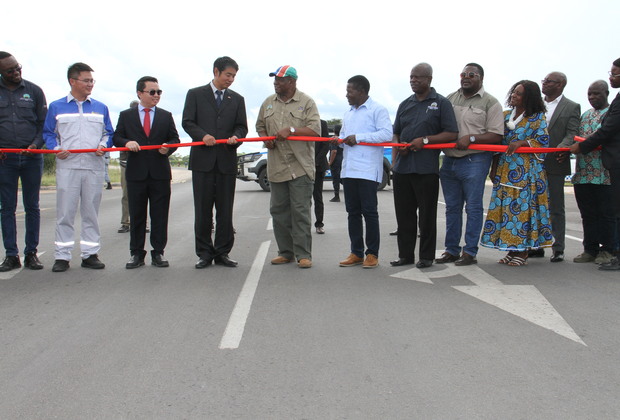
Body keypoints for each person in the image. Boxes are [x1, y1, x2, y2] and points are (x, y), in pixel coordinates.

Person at [43, 62, 114, 272]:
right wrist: (56, 148)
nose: (90, 84)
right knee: (65, 212)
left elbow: (108, 132)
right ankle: (62, 256)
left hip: (93, 166)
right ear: (72, 81)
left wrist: (103, 146)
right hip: (68, 166)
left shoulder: (100, 107)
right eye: (86, 80)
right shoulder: (57, 107)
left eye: (92, 80)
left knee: (90, 212)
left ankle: (90, 254)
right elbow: (48, 133)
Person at [390, 63, 458, 269]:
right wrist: (396, 156)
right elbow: (396, 132)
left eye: (418, 77)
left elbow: (452, 133)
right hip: (403, 169)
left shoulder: (441, 103)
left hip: (426, 168)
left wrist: (426, 141)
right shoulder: (405, 104)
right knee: (404, 216)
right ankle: (405, 255)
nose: (413, 81)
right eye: (411, 77)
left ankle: (426, 256)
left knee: (427, 216)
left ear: (429, 79)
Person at [182, 56, 248, 269]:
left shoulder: (237, 99)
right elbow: (187, 122)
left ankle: (223, 252)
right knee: (202, 211)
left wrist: (235, 138)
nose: (231, 79)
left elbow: (242, 127)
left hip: (226, 161)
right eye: (228, 74)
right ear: (216, 71)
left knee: (225, 210)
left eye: (234, 76)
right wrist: (202, 136)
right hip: (203, 161)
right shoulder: (195, 94)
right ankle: (204, 253)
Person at [435, 63, 504, 266]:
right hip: (449, 161)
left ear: (481, 78)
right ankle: (452, 250)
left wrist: (472, 138)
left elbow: (497, 135)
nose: (466, 77)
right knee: (452, 208)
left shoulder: (491, 103)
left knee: (473, 208)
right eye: (463, 74)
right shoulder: (450, 98)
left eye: (471, 74)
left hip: (475, 160)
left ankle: (470, 251)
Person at [480, 80, 553, 266]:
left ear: (529, 97)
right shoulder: (505, 116)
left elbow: (543, 142)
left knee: (523, 211)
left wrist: (522, 143)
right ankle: (512, 249)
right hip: (506, 171)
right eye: (513, 92)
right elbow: (497, 145)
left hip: (528, 173)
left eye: (519, 93)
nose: (514, 95)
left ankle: (523, 251)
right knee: (507, 211)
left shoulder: (537, 118)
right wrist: (494, 168)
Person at [256, 65, 321, 269]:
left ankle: (303, 254)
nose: (276, 82)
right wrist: (265, 139)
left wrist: (292, 129)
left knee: (300, 212)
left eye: (280, 79)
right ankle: (286, 252)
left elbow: (315, 131)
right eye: (275, 79)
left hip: (300, 167)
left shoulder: (307, 102)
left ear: (292, 82)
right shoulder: (268, 103)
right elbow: (260, 126)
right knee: (279, 212)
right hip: (276, 167)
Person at [114, 76, 180, 269]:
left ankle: (158, 253)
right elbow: (117, 136)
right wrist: (126, 143)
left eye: (159, 92)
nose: (156, 95)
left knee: (160, 215)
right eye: (152, 92)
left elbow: (175, 139)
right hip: (136, 173)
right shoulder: (127, 115)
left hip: (159, 173)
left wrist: (168, 147)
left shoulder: (165, 116)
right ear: (140, 93)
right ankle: (136, 254)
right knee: (137, 216)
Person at [336, 75, 393, 268]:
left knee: (369, 212)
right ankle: (356, 252)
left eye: (350, 91)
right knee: (352, 213)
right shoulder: (348, 113)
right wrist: (338, 140)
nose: (347, 94)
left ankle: (372, 254)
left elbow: (386, 134)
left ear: (361, 91)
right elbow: (345, 138)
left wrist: (358, 137)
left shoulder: (378, 110)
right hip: (349, 169)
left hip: (368, 170)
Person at [570, 58, 620, 271]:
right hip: (584, 173)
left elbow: (605, 133)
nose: (592, 97)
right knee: (588, 214)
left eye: (597, 93)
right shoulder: (585, 115)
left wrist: (582, 147)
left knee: (608, 214)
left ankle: (607, 250)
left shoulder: (611, 110)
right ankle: (590, 249)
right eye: (589, 93)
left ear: (606, 94)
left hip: (605, 172)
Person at [0, 51, 47, 271]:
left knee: (32, 206)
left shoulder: (34, 91)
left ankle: (31, 254)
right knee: (7, 207)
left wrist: (35, 145)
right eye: (10, 70)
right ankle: (11, 255)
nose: (16, 72)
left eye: (18, 67)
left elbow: (43, 125)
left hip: (31, 158)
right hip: (5, 159)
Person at [528, 72, 580, 262]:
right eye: (544, 80)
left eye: (549, 81)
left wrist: (559, 148)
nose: (544, 83)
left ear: (560, 85)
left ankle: (558, 248)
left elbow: (572, 133)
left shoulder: (572, 106)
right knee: (535, 206)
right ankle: (538, 245)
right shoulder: (535, 106)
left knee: (556, 208)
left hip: (556, 161)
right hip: (534, 162)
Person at [117, 100, 138, 233]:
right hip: (126, 162)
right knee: (126, 194)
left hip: (143, 162)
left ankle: (143, 222)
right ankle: (125, 222)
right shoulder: (125, 120)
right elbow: (118, 138)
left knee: (143, 195)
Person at [313, 119, 330, 234]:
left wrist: (316, 162)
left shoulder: (322, 124)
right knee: (301, 199)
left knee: (317, 196)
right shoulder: (300, 123)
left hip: (318, 166)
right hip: (302, 165)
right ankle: (301, 225)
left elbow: (326, 145)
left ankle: (319, 224)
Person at [328, 124, 343, 202]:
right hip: (342, 160)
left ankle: (336, 196)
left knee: (336, 179)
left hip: (336, 161)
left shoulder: (334, 140)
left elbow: (334, 151)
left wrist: (330, 162)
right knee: (342, 178)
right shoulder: (343, 139)